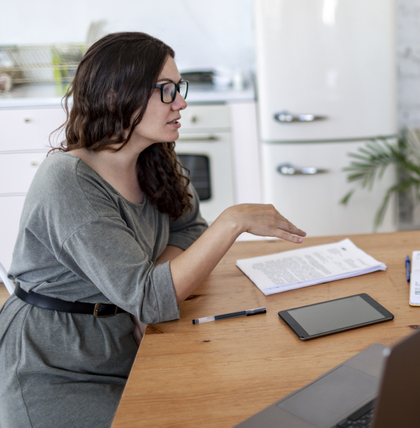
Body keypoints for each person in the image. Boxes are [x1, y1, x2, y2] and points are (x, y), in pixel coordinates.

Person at [0, 32, 306, 427]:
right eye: (165, 90)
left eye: (178, 88)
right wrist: (233, 221)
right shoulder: (69, 182)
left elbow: (189, 230)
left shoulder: (153, 159)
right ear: (116, 95)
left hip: (128, 350)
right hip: (54, 369)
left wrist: (153, 283)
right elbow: (148, 297)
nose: (180, 102)